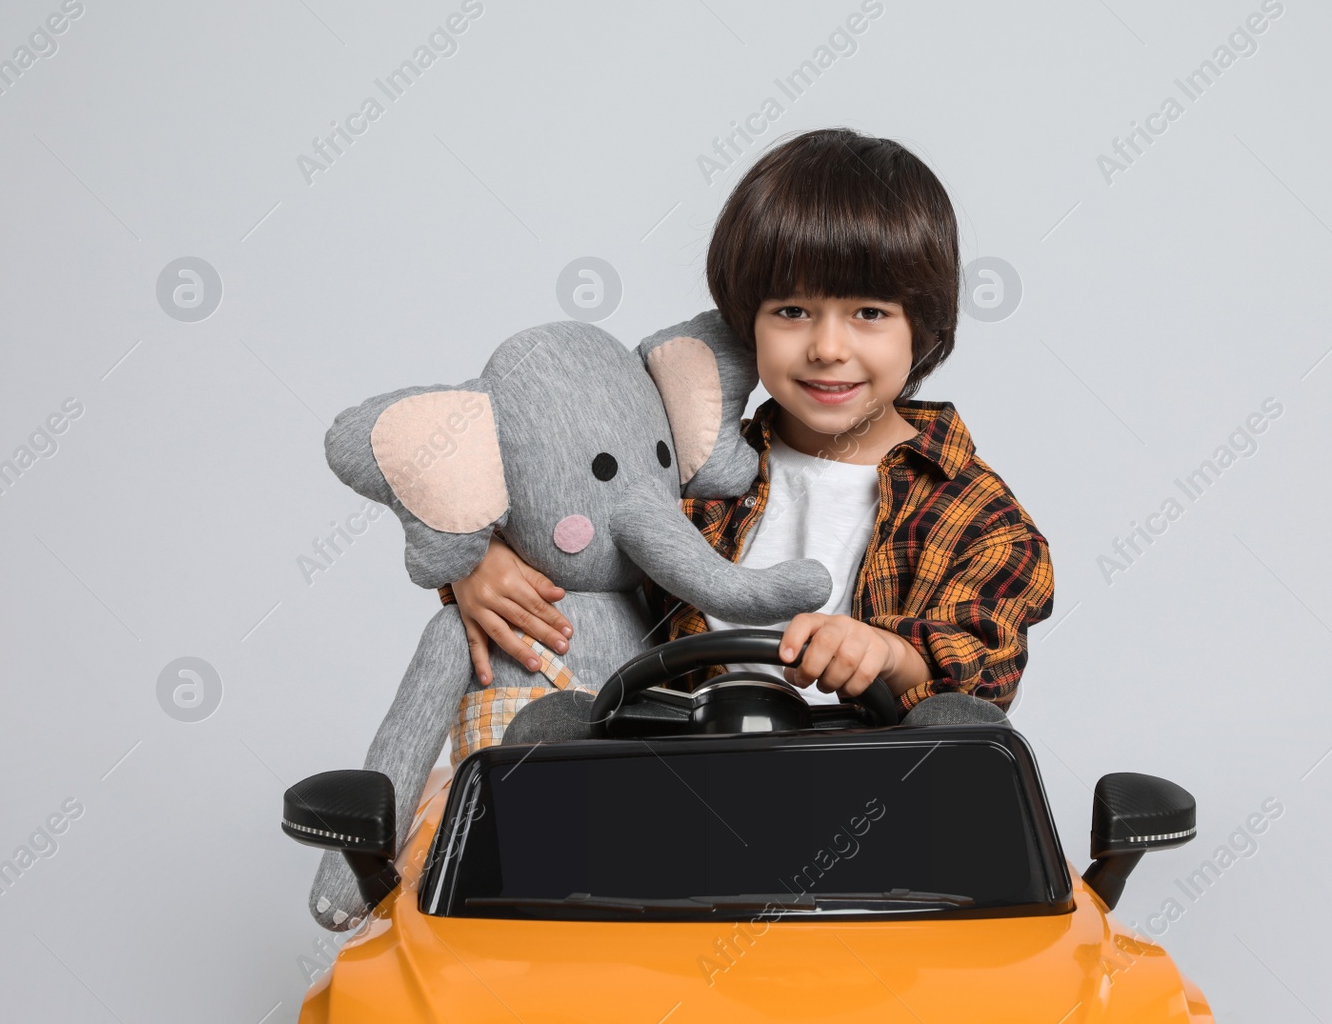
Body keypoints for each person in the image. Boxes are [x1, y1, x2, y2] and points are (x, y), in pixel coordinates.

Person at [445, 127, 1053, 723]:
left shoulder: (977, 514)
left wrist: (891, 655)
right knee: (548, 731)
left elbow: (985, 664)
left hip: (873, 795)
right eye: (792, 311)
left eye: (869, 312)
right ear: (745, 322)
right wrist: (480, 562)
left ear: (921, 326)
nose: (827, 347)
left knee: (960, 727)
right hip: (681, 785)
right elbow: (556, 503)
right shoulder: (680, 469)